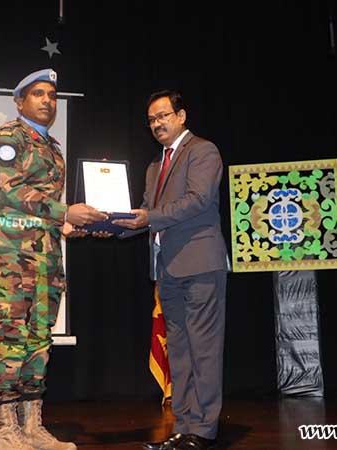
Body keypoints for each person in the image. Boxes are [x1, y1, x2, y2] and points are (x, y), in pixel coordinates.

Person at [0, 68, 107, 450]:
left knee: (39, 339)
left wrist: (69, 227)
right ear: (20, 101)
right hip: (12, 254)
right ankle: (5, 433)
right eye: (38, 93)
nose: (47, 100)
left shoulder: (53, 148)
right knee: (10, 339)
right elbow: (10, 194)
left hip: (47, 254)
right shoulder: (4, 138)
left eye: (51, 94)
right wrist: (66, 212)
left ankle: (32, 428)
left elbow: (46, 209)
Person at [114, 90, 228, 450]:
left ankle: (204, 430)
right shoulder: (154, 166)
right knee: (178, 348)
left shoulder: (203, 151)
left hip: (201, 264)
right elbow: (146, 212)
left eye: (163, 116)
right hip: (167, 268)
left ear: (181, 116)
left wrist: (149, 216)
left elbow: (199, 199)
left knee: (204, 348)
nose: (157, 124)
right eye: (151, 120)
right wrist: (113, 223)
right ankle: (183, 426)